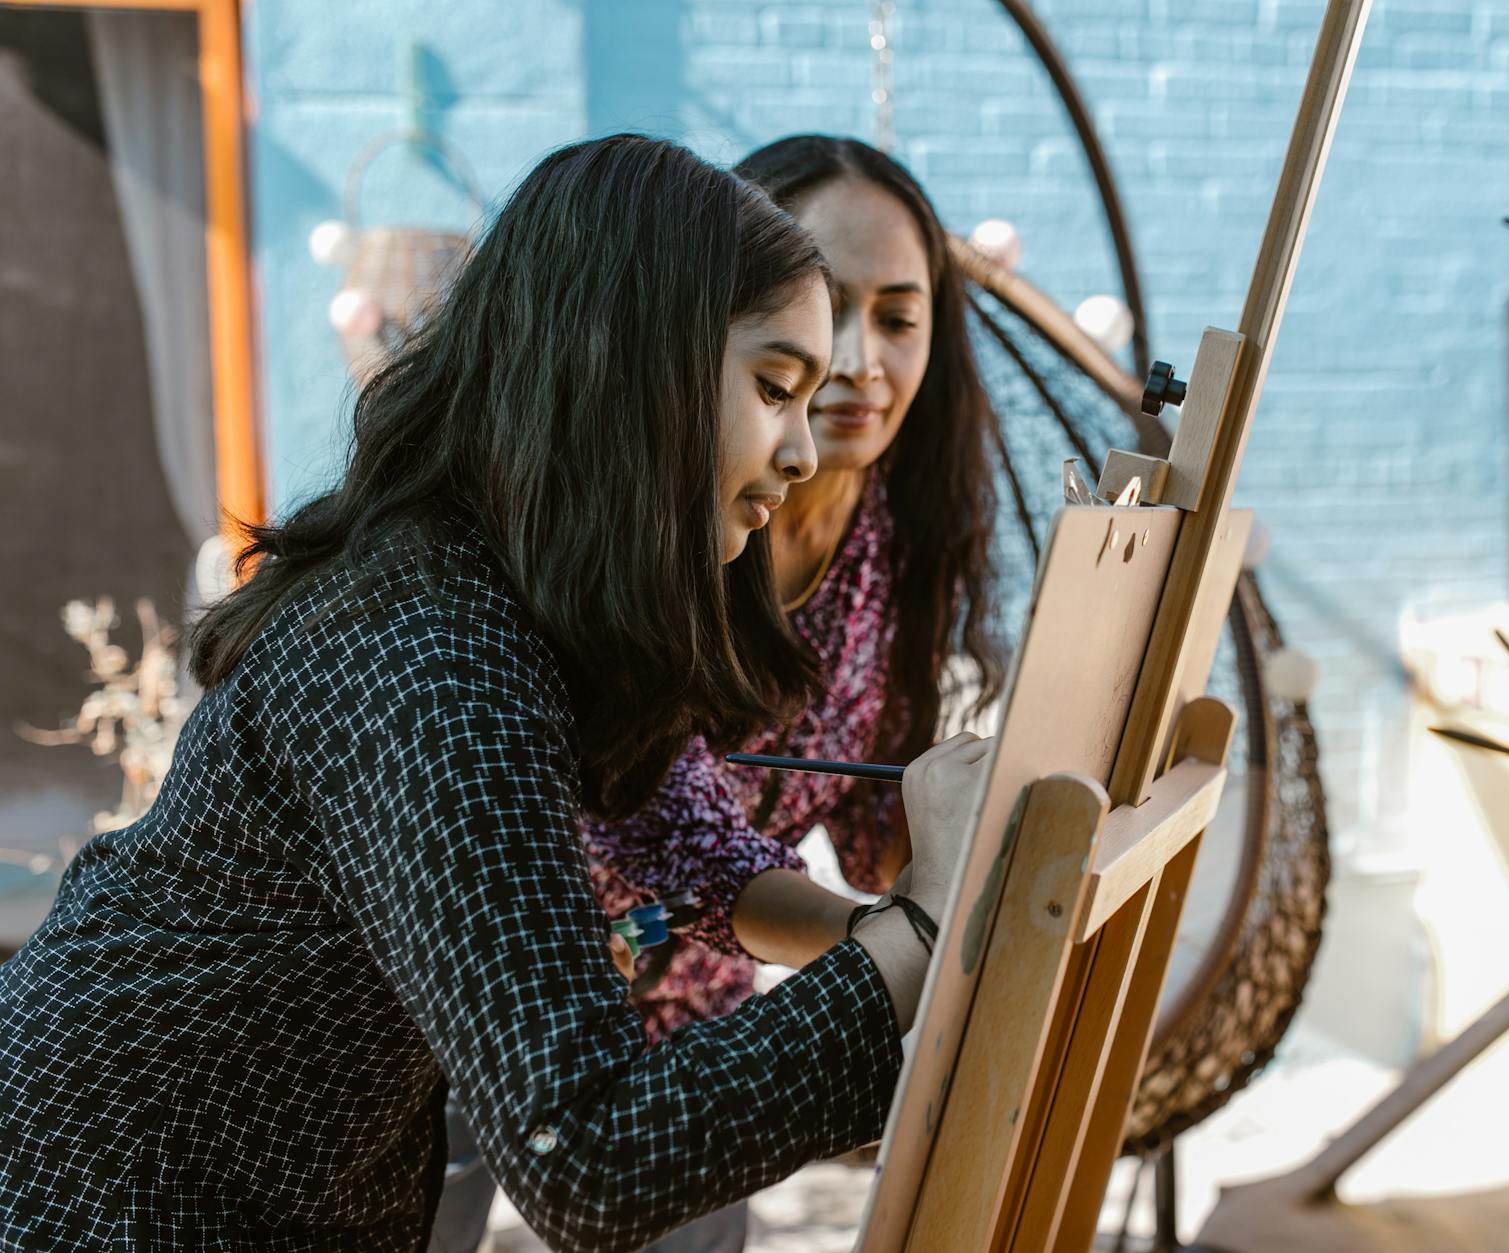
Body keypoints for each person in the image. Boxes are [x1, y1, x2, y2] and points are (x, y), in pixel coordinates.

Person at [0, 134, 987, 1251]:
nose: (805, 451)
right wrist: (912, 936)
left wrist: (911, 934)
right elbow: (590, 1154)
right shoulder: (428, 650)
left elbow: (684, 851)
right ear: (633, 368)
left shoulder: (491, 595)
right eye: (773, 386)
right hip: (103, 1205)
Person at [584, 136, 1006, 1051]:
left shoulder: (901, 536)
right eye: (825, 310)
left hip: (701, 1017)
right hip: (503, 994)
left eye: (899, 317)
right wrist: (898, 951)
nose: (858, 359)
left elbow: (873, 839)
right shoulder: (649, 524)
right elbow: (676, 842)